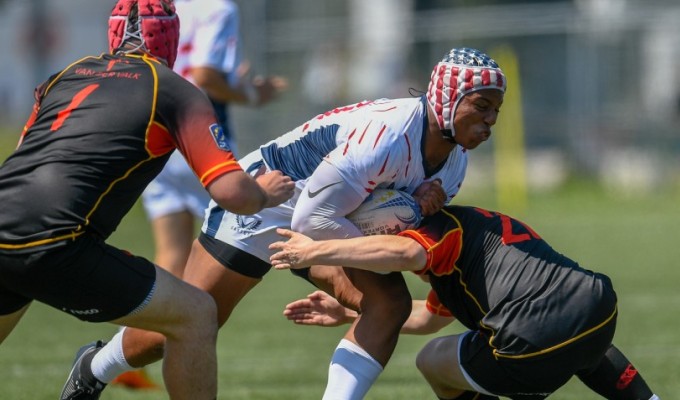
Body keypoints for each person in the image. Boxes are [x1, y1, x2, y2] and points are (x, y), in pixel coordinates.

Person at [68, 47, 506, 399]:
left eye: (495, 111)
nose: (489, 121)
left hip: (327, 215)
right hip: (262, 203)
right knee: (187, 325)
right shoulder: (386, 136)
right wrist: (392, 244)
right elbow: (312, 219)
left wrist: (417, 213)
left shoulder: (453, 166)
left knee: (387, 303)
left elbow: (372, 218)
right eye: (481, 106)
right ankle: (95, 366)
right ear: (448, 99)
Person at [0, 0, 294, 399]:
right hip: (56, 244)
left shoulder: (63, 76)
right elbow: (231, 194)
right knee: (196, 314)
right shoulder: (173, 90)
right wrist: (264, 192)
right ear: (171, 36)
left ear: (114, 32)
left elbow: (25, 154)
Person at [271, 205, 661, 400]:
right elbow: (427, 317)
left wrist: (315, 250)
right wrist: (353, 310)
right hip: (596, 306)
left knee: (432, 360)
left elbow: (405, 253)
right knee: (576, 339)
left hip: (531, 340)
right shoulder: (474, 247)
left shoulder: (440, 230)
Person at [112, 0, 288, 388]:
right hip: (197, 136)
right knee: (224, 249)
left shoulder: (167, 5)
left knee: (171, 256)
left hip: (154, 128)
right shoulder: (219, 7)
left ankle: (124, 358)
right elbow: (205, 75)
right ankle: (180, 348)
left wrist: (235, 83)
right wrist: (251, 94)